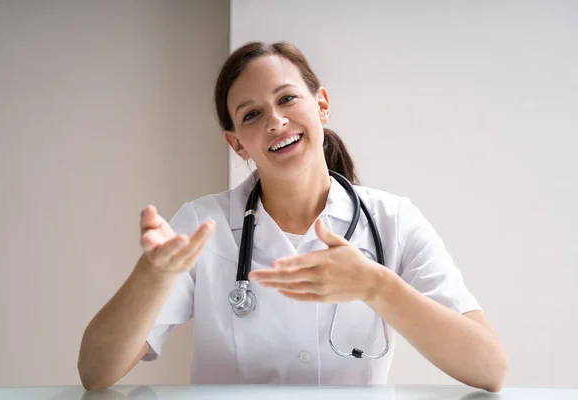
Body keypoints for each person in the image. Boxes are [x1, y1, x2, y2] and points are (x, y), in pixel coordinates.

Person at [77, 41, 508, 392]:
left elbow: (489, 368)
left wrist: (377, 286)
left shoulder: (393, 219)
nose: (276, 121)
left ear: (321, 105)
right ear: (237, 144)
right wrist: (150, 275)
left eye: (287, 98)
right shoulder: (201, 224)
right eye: (252, 115)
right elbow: (96, 373)